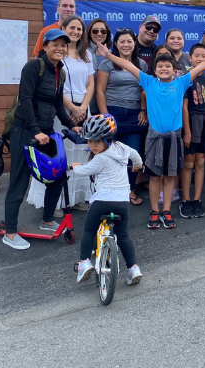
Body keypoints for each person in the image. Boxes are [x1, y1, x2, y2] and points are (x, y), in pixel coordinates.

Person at [94, 39, 205, 229]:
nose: (164, 68)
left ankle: (167, 210)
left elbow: (202, 66)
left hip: (174, 137)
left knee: (170, 176)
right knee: (154, 177)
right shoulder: (148, 82)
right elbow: (127, 65)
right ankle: (155, 211)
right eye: (160, 66)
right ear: (154, 70)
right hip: (154, 138)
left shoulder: (181, 83)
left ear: (174, 69)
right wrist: (107, 55)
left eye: (168, 66)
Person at [2, 30, 75, 249]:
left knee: (57, 175)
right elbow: (25, 98)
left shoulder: (59, 71)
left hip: (46, 131)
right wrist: (35, 130)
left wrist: (73, 126)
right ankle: (11, 232)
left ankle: (46, 220)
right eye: (55, 44)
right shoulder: (34, 67)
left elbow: (57, 105)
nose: (60, 48)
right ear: (45, 46)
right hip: (25, 130)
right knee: (19, 181)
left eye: (64, 45)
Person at [71, 114, 144, 287]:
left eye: (96, 141)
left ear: (108, 139)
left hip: (102, 201)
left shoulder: (100, 158)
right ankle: (133, 268)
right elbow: (136, 156)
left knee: (89, 230)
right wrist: (137, 166)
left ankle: (84, 263)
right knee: (123, 235)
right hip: (122, 202)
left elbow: (84, 171)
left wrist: (76, 166)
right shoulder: (123, 148)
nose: (92, 145)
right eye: (89, 141)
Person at [95, 28, 147, 205]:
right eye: (122, 41)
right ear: (115, 44)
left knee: (132, 155)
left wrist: (143, 110)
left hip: (134, 116)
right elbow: (100, 91)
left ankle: (130, 189)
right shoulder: (106, 64)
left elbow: (143, 90)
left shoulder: (141, 64)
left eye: (129, 41)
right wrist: (105, 116)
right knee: (111, 156)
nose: (126, 44)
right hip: (113, 113)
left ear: (134, 43)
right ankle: (112, 192)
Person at [179, 43, 205, 217]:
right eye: (196, 55)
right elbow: (184, 107)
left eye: (203, 56)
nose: (200, 59)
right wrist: (187, 131)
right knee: (189, 163)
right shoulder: (186, 78)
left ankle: (197, 199)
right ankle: (185, 200)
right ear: (190, 58)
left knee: (201, 162)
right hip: (191, 123)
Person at [61, 15, 95, 124]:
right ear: (63, 29)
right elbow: (52, 87)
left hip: (83, 108)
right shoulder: (57, 54)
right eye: (72, 28)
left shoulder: (87, 54)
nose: (75, 31)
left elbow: (90, 85)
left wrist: (82, 109)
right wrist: (73, 108)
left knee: (82, 140)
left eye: (79, 29)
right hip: (62, 105)